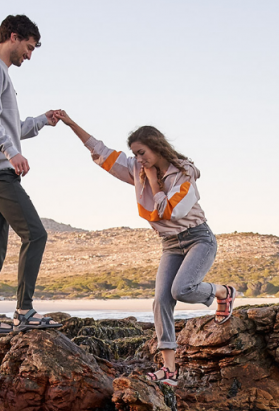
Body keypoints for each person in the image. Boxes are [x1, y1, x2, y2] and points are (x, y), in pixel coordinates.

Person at [55, 110, 236, 387]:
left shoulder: (184, 172)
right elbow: (101, 152)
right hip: (170, 244)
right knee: (161, 300)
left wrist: (152, 181)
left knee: (181, 290)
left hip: (199, 238)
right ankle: (169, 370)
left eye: (142, 153)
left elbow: (170, 212)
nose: (139, 160)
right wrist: (70, 123)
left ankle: (224, 292)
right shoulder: (137, 169)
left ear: (156, 146)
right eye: (135, 155)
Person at [0, 15, 62, 342]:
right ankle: (24, 311)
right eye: (29, 46)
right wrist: (11, 153)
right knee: (35, 235)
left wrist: (42, 120)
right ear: (13, 36)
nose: (30, 55)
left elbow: (10, 127)